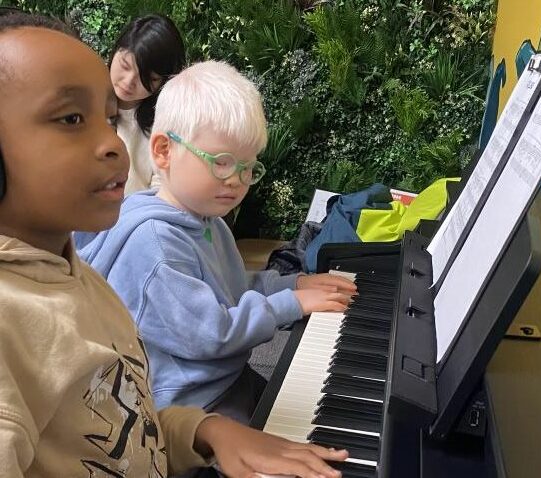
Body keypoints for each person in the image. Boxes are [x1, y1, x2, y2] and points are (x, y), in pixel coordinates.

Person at [0, 12, 347, 477]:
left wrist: (201, 432)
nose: (112, 143)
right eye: (71, 118)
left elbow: (129, 422)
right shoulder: (14, 330)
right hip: (204, 395)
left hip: (192, 424)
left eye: (108, 119)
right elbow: (208, 332)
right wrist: (290, 302)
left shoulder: (78, 277)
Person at [77, 60, 357, 423]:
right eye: (222, 163)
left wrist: (295, 283)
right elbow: (212, 333)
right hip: (190, 406)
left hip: (222, 379)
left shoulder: (206, 218)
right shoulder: (156, 244)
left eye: (247, 168)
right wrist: (292, 303)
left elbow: (231, 291)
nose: (236, 181)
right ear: (163, 151)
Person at [109, 14, 185, 195]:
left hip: (132, 218)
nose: (129, 82)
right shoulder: (84, 97)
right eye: (125, 65)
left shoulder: (164, 123)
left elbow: (162, 189)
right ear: (115, 51)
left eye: (149, 78)